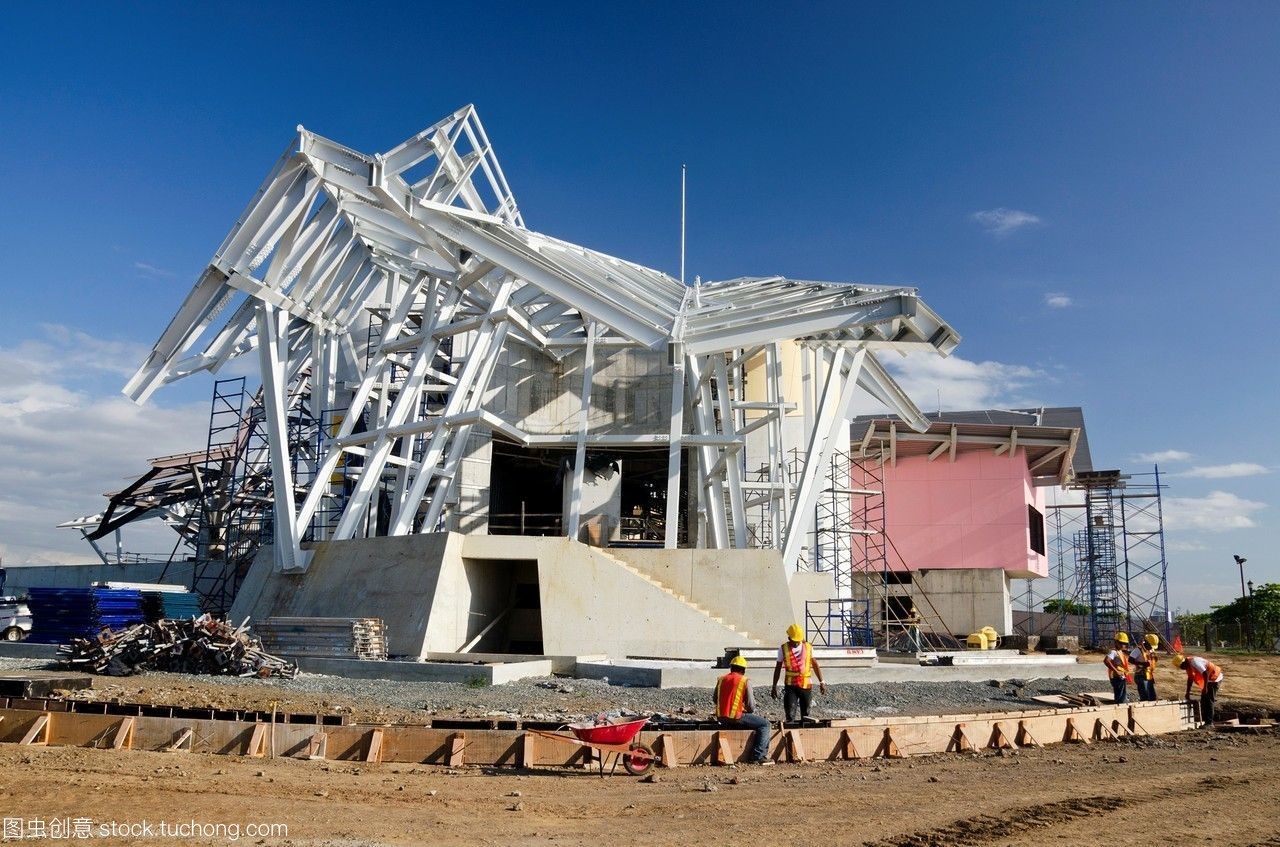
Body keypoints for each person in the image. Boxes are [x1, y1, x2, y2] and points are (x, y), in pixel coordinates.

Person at [713, 655, 772, 764]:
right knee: (765, 725)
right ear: (743, 670)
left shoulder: (721, 679)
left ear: (731, 668)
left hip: (721, 717)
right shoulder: (744, 681)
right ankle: (757, 756)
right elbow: (751, 706)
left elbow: (715, 699)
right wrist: (744, 710)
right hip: (736, 717)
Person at [772, 623, 827, 722]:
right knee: (790, 714)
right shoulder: (783, 649)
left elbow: (815, 665)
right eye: (794, 641)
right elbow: (778, 668)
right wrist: (774, 686)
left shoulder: (808, 647)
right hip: (790, 687)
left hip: (806, 686)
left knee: (806, 715)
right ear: (789, 638)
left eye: (798, 641)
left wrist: (822, 682)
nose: (797, 643)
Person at [1176, 654, 1224, 725]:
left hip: (1214, 677)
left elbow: (1205, 673)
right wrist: (1187, 692)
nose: (1181, 669)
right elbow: (1190, 679)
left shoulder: (1194, 662)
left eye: (1181, 667)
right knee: (1203, 699)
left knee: (1209, 700)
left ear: (1183, 663)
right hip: (1209, 679)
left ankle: (1209, 723)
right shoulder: (1188, 665)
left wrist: (1205, 687)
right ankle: (1205, 720)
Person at [1129, 633, 1160, 701]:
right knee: (1145, 697)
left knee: (1152, 697)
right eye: (1150, 645)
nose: (1151, 648)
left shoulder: (1151, 649)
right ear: (1146, 642)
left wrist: (1154, 658)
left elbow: (1154, 658)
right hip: (1141, 676)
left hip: (1149, 676)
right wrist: (1142, 664)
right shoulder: (1138, 650)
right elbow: (1130, 659)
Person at [1103, 633, 1132, 704]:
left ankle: (1121, 706)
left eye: (1125, 643)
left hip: (1121, 676)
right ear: (1116, 642)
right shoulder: (1113, 652)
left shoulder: (1120, 652)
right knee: (1119, 696)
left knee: (1122, 694)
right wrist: (1116, 671)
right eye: (1122, 643)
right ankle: (1119, 708)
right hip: (1116, 677)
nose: (1124, 645)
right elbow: (1106, 660)